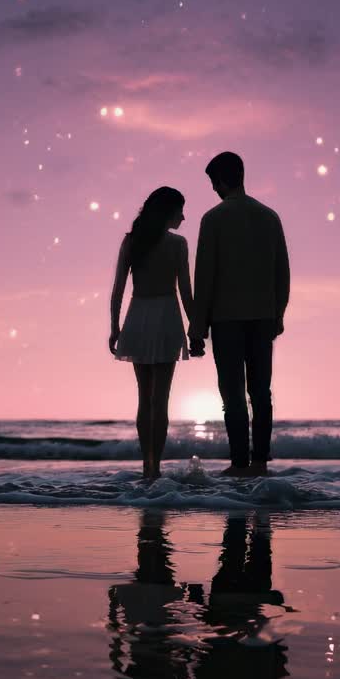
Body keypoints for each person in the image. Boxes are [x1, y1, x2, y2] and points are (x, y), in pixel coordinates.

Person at [188, 151, 290, 477]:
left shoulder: (213, 219)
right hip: (262, 316)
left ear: (220, 181)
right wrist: (278, 313)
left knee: (232, 392)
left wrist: (197, 327)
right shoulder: (269, 216)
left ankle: (238, 463)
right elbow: (282, 272)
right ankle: (259, 463)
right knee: (261, 391)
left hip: (226, 318)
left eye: (213, 183)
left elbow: (204, 276)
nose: (214, 190)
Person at [109, 186, 193, 480]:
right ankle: (154, 467)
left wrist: (114, 326)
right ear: (168, 212)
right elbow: (185, 291)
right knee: (161, 400)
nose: (184, 216)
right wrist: (195, 327)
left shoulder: (133, 241)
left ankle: (148, 467)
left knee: (144, 399)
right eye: (180, 210)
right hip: (167, 318)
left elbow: (118, 288)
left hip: (138, 317)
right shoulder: (178, 244)